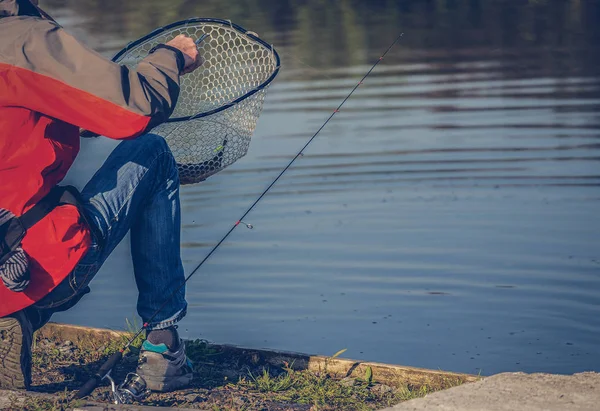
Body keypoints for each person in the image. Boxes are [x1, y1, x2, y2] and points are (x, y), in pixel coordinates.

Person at [0, 0, 203, 392]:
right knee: (153, 152)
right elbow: (138, 106)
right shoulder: (24, 39)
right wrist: (172, 55)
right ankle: (163, 350)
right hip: (20, 272)